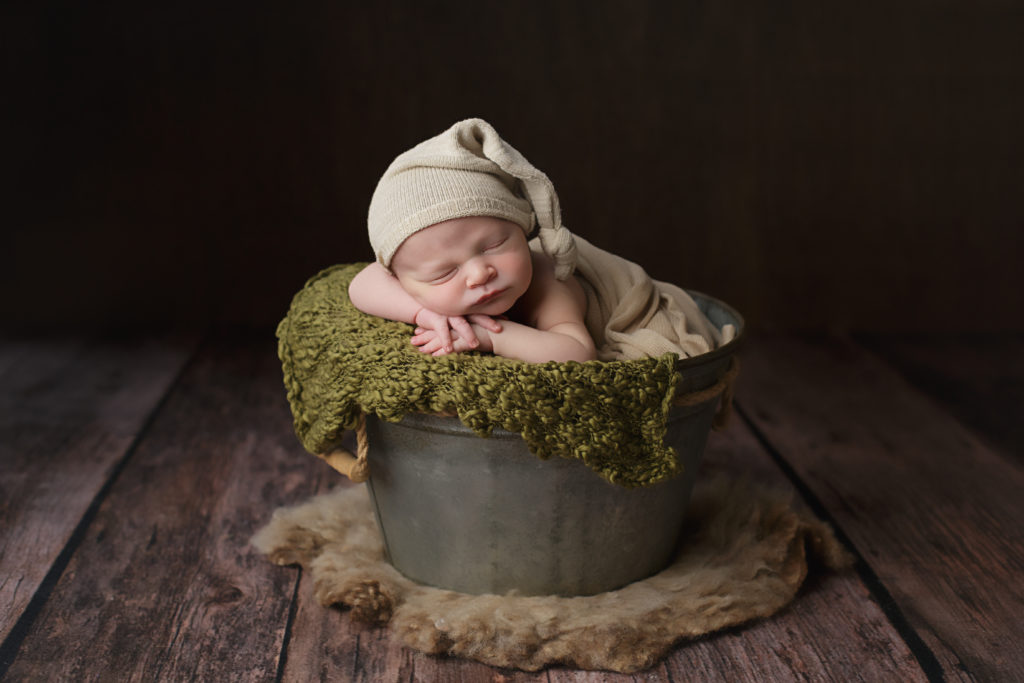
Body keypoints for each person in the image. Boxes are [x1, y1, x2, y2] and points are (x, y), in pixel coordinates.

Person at [348, 119, 597, 363]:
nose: (479, 274)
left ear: (522, 230)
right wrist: (423, 313)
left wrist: (492, 335)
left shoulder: (547, 281)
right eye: (443, 273)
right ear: (401, 280)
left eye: (494, 246)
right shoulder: (410, 278)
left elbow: (578, 352)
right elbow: (360, 285)